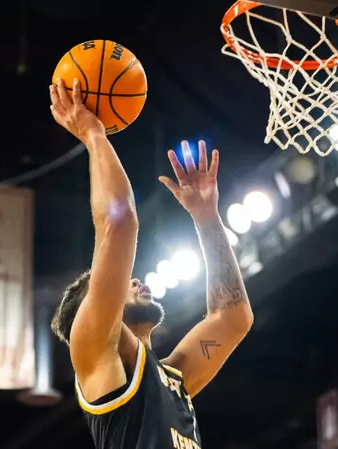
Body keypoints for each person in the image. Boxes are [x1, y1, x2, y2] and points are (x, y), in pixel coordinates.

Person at [48, 78, 253, 449]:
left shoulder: (170, 379)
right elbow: (119, 221)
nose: (131, 277)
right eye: (113, 280)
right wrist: (94, 135)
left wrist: (207, 217)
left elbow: (233, 316)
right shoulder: (93, 350)